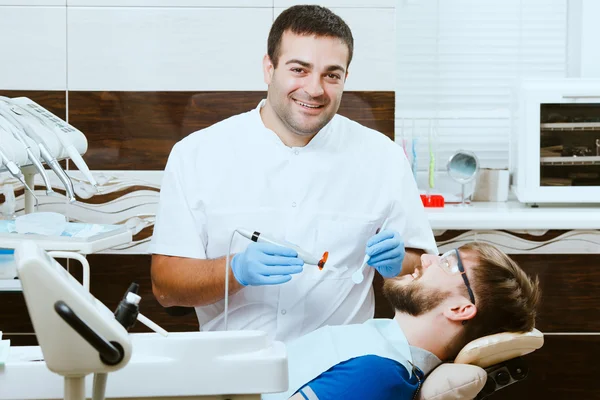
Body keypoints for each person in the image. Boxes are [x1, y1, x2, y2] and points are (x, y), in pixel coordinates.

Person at [148, 5, 437, 342]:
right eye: (299, 69)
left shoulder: (383, 158)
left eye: (332, 74)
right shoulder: (196, 155)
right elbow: (166, 286)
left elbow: (424, 271)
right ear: (269, 69)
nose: (315, 89)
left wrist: (400, 263)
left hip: (340, 370)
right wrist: (235, 270)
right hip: (235, 369)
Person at [265, 242, 541, 400]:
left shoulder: (376, 375)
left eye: (447, 263)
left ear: (459, 308)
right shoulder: (376, 348)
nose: (426, 258)